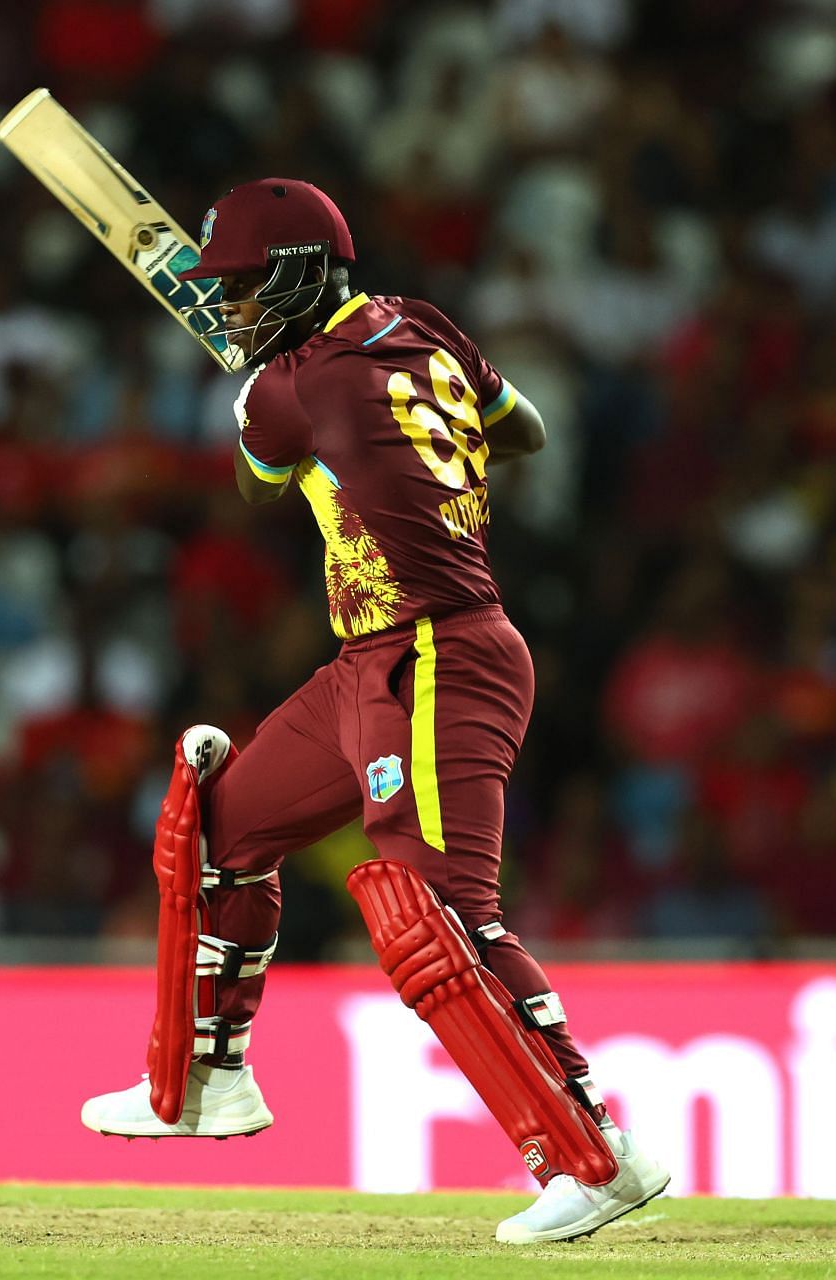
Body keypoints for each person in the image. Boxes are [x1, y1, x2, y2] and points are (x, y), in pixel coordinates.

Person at [79, 179, 667, 1244]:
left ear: (304, 272)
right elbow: (521, 429)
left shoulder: (291, 389)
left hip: (440, 655)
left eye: (247, 289)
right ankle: (207, 1081)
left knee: (439, 910)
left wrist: (282, 411)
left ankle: (594, 1150)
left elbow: (263, 478)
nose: (232, 312)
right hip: (372, 660)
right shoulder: (422, 323)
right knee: (219, 832)